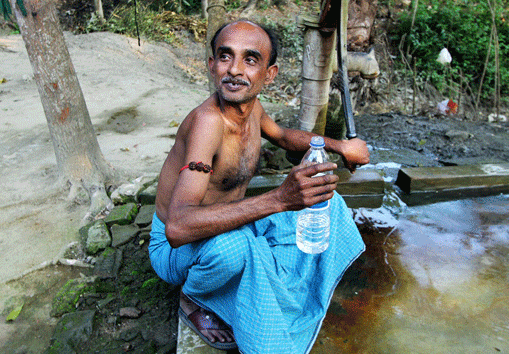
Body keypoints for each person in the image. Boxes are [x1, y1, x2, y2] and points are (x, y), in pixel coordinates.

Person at [148, 20, 370, 353]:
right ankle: (193, 298)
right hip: (176, 249)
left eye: (250, 60)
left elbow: (283, 137)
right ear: (212, 64)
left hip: (223, 225)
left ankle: (263, 287)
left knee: (329, 202)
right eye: (225, 57)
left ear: (269, 74)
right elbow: (177, 228)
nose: (234, 70)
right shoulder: (208, 123)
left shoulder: (251, 108)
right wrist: (280, 199)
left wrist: (337, 145)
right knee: (236, 248)